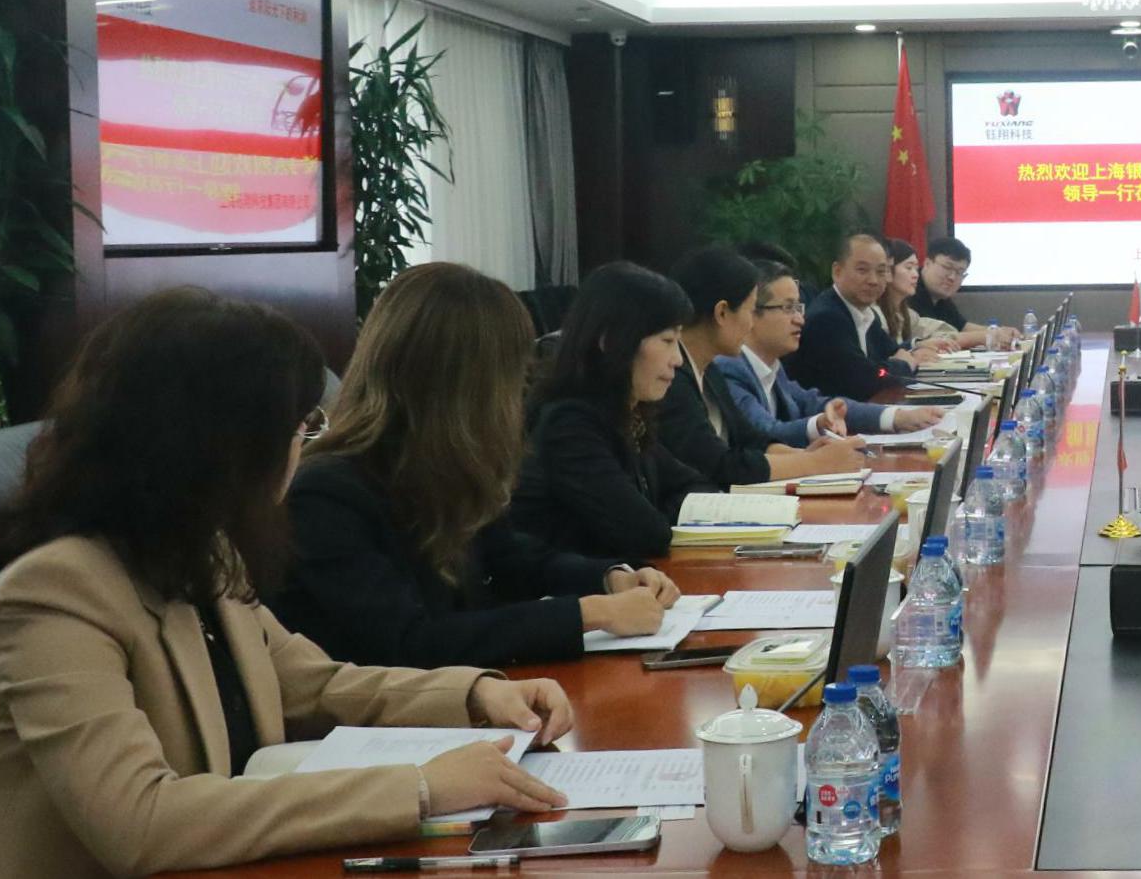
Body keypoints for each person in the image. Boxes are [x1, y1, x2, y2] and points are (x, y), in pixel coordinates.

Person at [0, 288, 574, 878]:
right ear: (227, 445)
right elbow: (140, 822)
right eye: (299, 427)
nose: (304, 447)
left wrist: (474, 695)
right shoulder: (54, 595)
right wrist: (420, 786)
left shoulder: (202, 548)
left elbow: (311, 683)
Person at [274, 263, 682, 670]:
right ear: (465, 387)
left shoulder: (443, 467)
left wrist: (609, 577)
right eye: (511, 376)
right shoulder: (327, 495)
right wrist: (588, 614)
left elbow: (511, 560)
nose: (518, 395)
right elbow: (410, 643)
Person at [511, 261, 712, 559]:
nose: (677, 359)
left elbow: (698, 486)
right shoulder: (570, 425)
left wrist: (656, 511)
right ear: (612, 341)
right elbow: (647, 535)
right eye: (667, 341)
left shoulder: (626, 415)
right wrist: (660, 512)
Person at [663, 248, 866, 484]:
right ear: (722, 313)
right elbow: (720, 465)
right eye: (750, 311)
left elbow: (751, 440)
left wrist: (806, 456)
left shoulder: (710, 372)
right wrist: (816, 463)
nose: (751, 325)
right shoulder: (672, 379)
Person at [715, 260, 950, 448]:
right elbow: (764, 432)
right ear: (750, 313)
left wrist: (897, 417)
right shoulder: (730, 367)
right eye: (787, 308)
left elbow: (815, 404)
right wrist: (818, 424)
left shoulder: (771, 365)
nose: (799, 319)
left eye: (798, 307)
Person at [790, 232, 920, 401]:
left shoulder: (866, 314)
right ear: (837, 271)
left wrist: (900, 361)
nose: (873, 280)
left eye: (881, 272)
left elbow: (892, 353)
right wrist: (904, 365)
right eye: (862, 270)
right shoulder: (827, 318)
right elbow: (867, 380)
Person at [910, 234, 996, 346]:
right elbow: (938, 338)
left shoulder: (940, 297)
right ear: (927, 263)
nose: (952, 277)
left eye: (960, 272)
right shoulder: (910, 291)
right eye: (947, 267)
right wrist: (990, 336)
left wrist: (998, 331)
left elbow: (962, 326)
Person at [881, 237, 961, 355]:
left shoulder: (907, 314)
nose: (916, 275)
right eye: (909, 268)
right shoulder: (874, 314)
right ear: (888, 270)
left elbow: (942, 331)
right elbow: (883, 356)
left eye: (916, 268)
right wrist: (916, 348)